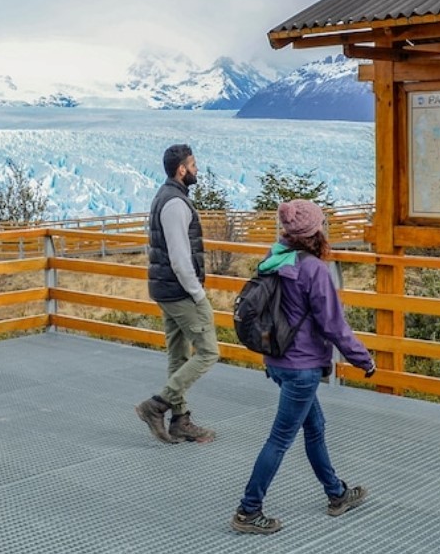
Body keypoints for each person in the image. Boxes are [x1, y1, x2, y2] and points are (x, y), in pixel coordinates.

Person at [231, 199, 376, 535]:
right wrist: (363, 359)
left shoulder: (274, 258)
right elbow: (334, 325)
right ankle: (248, 510)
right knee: (280, 439)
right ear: (315, 231)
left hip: (277, 361)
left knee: (315, 426)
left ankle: (337, 493)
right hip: (302, 367)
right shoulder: (314, 270)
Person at [135, 144, 219, 444]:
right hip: (180, 291)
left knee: (179, 355)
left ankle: (180, 421)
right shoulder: (175, 204)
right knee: (209, 352)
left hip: (165, 289)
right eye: (193, 164)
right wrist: (198, 294)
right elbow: (180, 258)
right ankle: (156, 406)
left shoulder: (165, 196)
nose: (196, 169)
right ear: (181, 169)